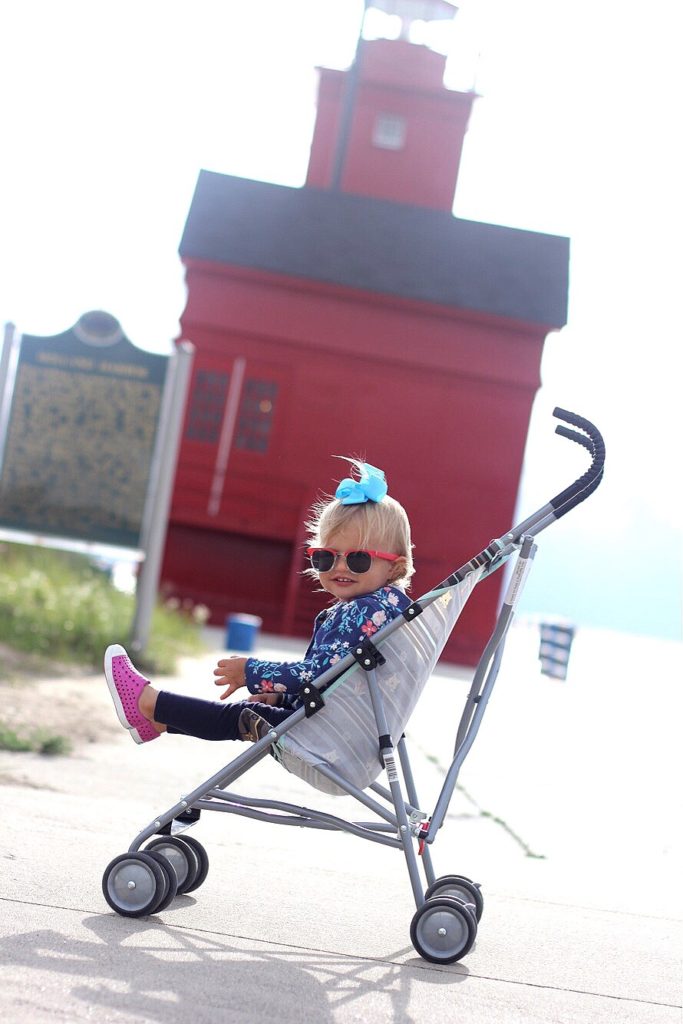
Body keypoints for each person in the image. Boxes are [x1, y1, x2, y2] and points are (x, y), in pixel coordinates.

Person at [104, 461, 415, 746]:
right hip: (345, 734)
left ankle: (149, 702)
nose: (340, 567)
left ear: (395, 568)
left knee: (239, 718)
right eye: (325, 557)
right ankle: (157, 722)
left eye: (358, 559)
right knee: (247, 714)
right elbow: (340, 682)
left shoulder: (366, 612)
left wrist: (251, 671)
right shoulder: (386, 608)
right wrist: (281, 700)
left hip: (327, 735)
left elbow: (317, 675)